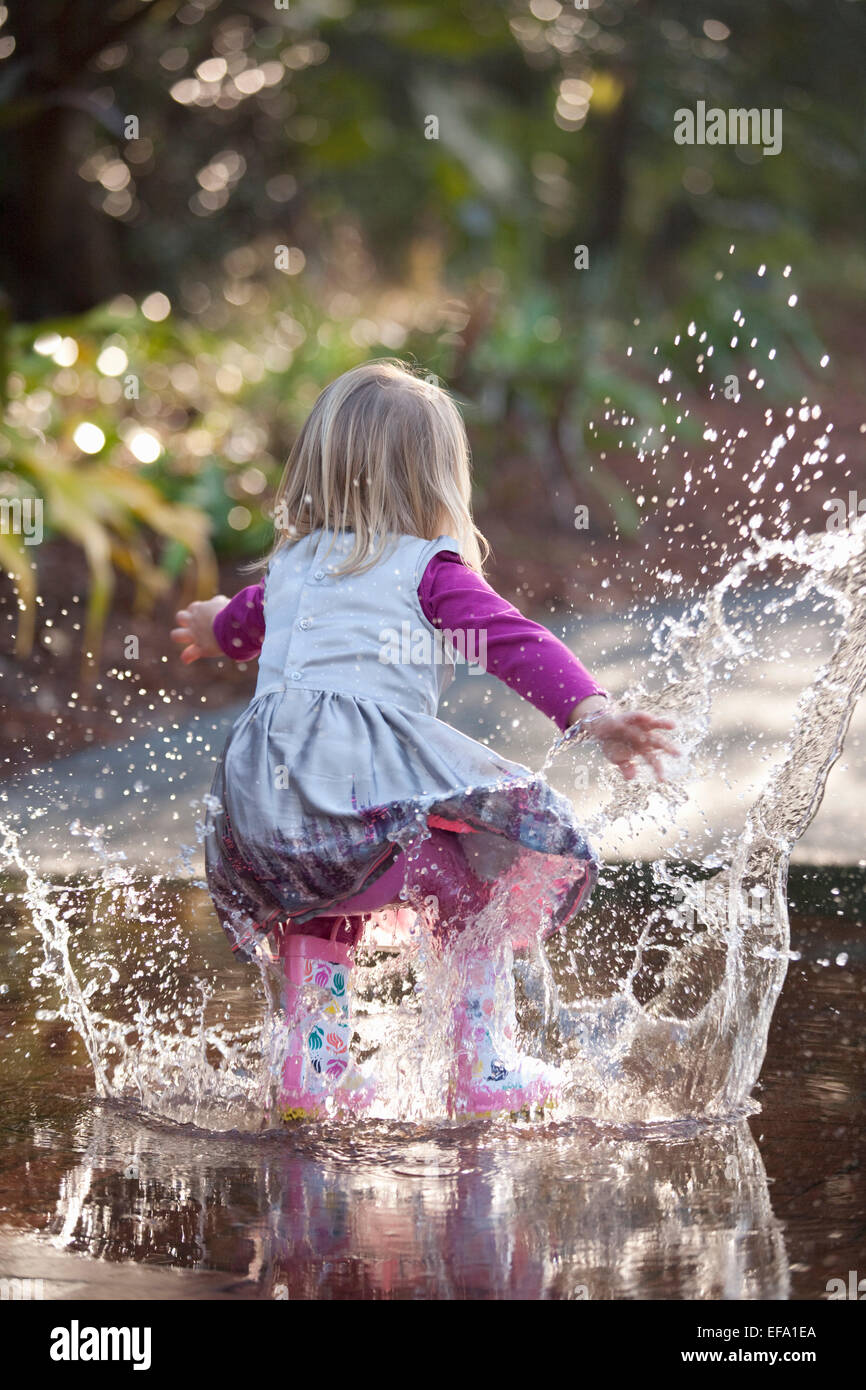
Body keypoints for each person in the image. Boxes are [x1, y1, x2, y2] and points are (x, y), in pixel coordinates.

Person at [172, 360, 678, 1121]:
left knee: (324, 907)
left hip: (261, 814)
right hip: (348, 795)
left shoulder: (290, 571)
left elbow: (237, 626)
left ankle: (313, 1074)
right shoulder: (426, 570)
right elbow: (513, 641)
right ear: (438, 480)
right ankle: (483, 1066)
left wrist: (211, 628)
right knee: (469, 887)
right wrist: (592, 714)